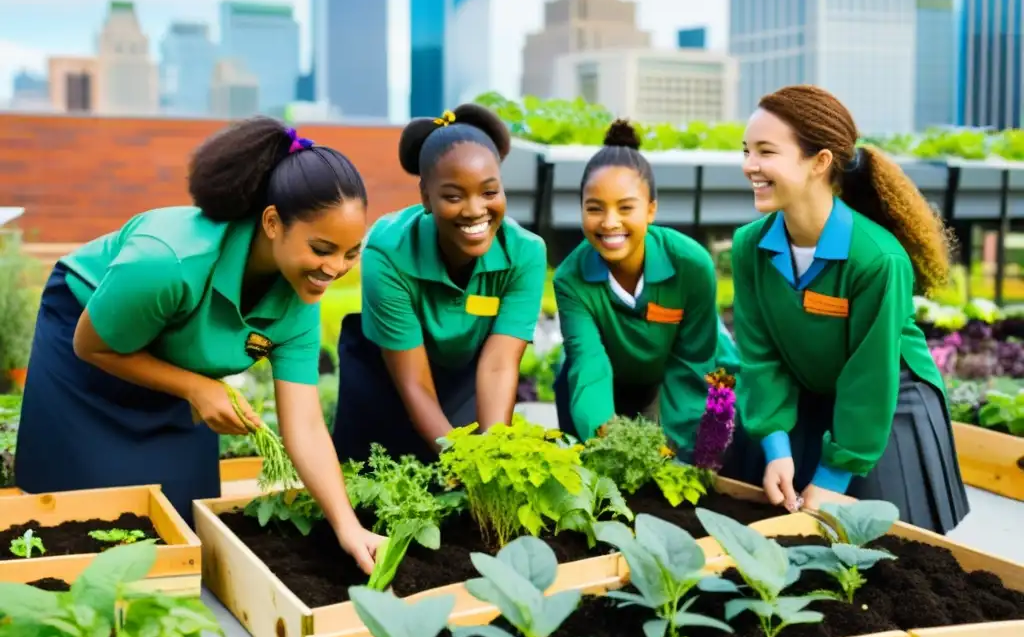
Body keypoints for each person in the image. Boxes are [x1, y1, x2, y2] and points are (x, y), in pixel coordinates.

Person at [15, 117, 384, 573]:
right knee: (78, 524)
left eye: (351, 253)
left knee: (186, 526)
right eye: (323, 248)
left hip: (177, 365)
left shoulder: (299, 301)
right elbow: (92, 347)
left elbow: (306, 424)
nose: (336, 268)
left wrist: (347, 525)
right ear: (273, 222)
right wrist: (196, 388)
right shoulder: (167, 260)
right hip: (89, 351)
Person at [729, 84, 969, 533]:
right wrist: (776, 445)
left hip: (887, 402)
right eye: (746, 151)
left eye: (765, 152)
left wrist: (834, 475)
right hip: (804, 388)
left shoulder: (878, 259)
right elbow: (760, 356)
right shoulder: (749, 247)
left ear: (820, 162)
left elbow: (869, 376)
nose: (749, 166)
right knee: (759, 519)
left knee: (882, 551)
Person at [331, 105, 548, 464]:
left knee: (459, 498)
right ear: (426, 197)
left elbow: (498, 365)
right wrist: (458, 459)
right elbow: (414, 382)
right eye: (453, 196)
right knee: (371, 494)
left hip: (464, 379)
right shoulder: (388, 250)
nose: (475, 209)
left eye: (489, 192)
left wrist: (490, 458)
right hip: (386, 380)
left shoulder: (525, 253)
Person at [552, 119, 745, 460]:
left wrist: (676, 449)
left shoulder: (690, 263)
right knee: (573, 390)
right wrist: (607, 441)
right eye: (594, 208)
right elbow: (589, 365)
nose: (610, 222)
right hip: (619, 377)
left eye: (626, 208)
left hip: (703, 374)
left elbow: (694, 363)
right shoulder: (571, 279)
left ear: (651, 210)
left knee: (706, 461)